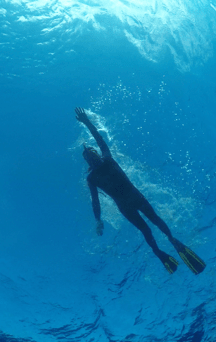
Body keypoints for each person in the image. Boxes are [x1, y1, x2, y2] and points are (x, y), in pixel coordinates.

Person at [75, 107, 206, 275]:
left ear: (96, 154)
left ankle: (171, 240)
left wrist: (87, 122)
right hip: (131, 203)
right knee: (148, 227)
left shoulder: (106, 160)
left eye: (91, 153)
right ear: (88, 162)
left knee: (153, 223)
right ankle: (160, 250)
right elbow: (95, 201)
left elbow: (99, 138)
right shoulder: (94, 175)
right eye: (88, 157)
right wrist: (98, 220)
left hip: (132, 201)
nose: (91, 157)